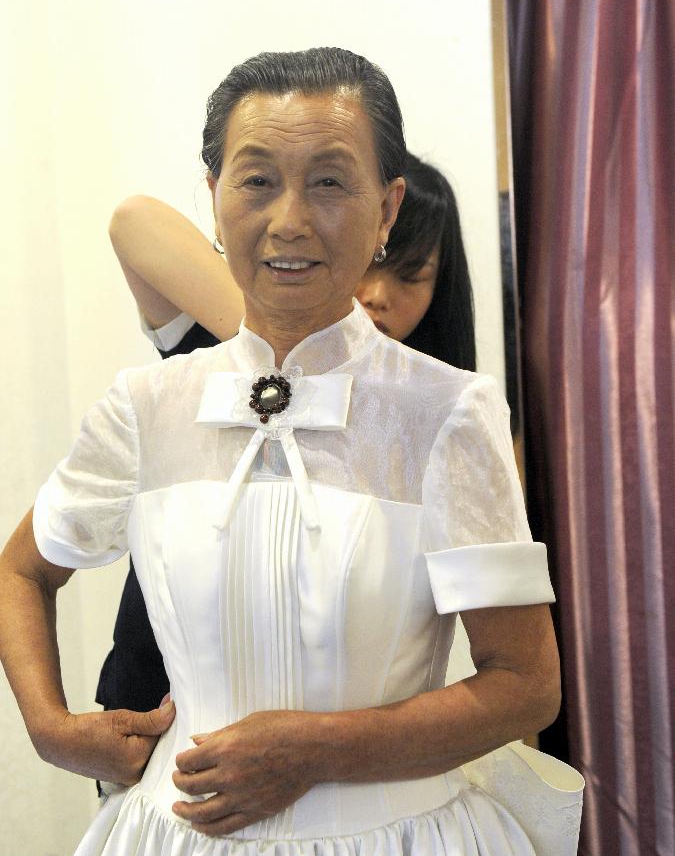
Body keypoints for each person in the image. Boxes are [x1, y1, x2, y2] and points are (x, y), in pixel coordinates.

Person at [0, 47, 583, 855]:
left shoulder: (448, 412)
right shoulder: (146, 406)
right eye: (257, 179)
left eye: (330, 181)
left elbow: (525, 688)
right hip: (172, 834)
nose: (290, 220)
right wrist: (49, 725)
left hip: (399, 835)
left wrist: (315, 750)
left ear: (386, 210)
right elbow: (22, 568)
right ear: (213, 200)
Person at [98, 150, 476, 719]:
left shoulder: (442, 421)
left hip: (350, 755)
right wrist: (292, 356)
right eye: (369, 261)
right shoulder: (216, 363)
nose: (378, 294)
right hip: (159, 714)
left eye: (411, 275)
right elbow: (134, 221)